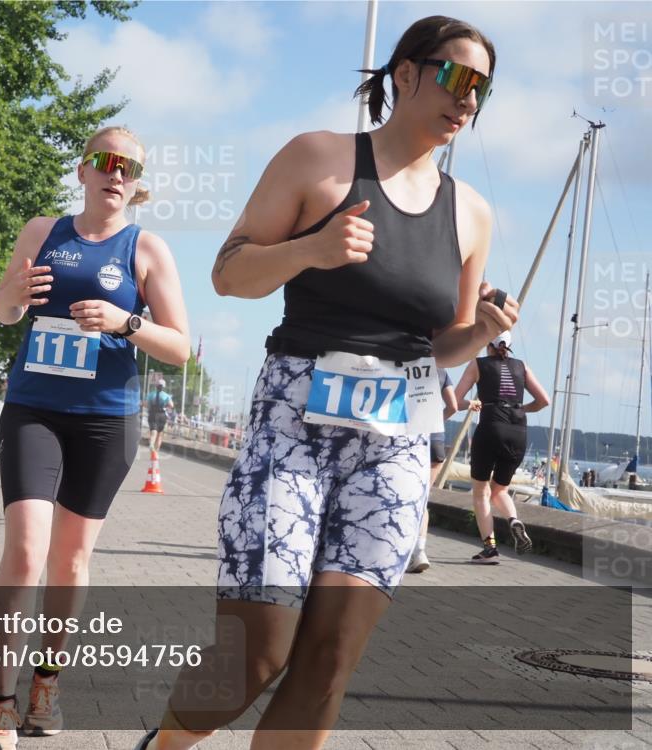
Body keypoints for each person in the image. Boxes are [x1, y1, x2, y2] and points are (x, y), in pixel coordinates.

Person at [134, 16, 515, 750]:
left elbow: (445, 343)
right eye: (458, 77)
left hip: (394, 446)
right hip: (293, 430)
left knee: (328, 663)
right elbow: (229, 272)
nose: (469, 100)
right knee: (259, 652)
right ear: (406, 73)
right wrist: (312, 248)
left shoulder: (471, 212)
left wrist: (483, 334)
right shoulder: (319, 158)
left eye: (483, 89)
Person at [0, 125, 189, 750]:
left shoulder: (146, 248)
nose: (116, 172)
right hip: (34, 409)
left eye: (130, 166)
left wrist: (127, 322)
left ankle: (46, 686)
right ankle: (1, 704)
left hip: (106, 420)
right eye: (105, 160)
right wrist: (9, 295)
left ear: (137, 181)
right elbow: (4, 312)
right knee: (25, 550)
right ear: (83, 170)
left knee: (70, 561)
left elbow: (179, 347)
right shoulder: (43, 231)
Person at [453, 331, 550, 564]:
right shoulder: (522, 366)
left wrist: (472, 403)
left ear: (488, 344)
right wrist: (521, 408)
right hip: (518, 432)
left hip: (490, 428)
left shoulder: (478, 364)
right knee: (500, 490)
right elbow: (544, 400)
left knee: (481, 492)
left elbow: (455, 401)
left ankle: (489, 549)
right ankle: (513, 519)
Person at [406, 366, 458, 573]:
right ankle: (419, 551)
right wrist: (435, 421)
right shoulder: (442, 371)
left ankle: (404, 550)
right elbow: (453, 406)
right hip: (436, 439)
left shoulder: (407, 365)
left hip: (410, 438)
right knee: (423, 498)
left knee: (406, 497)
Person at [146, 377, 174, 456]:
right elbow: (171, 405)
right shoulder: (166, 395)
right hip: (162, 415)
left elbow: (146, 404)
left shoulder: (151, 394)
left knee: (153, 431)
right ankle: (156, 452)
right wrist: (165, 406)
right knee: (160, 434)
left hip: (152, 414)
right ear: (163, 387)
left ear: (156, 386)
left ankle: (151, 444)